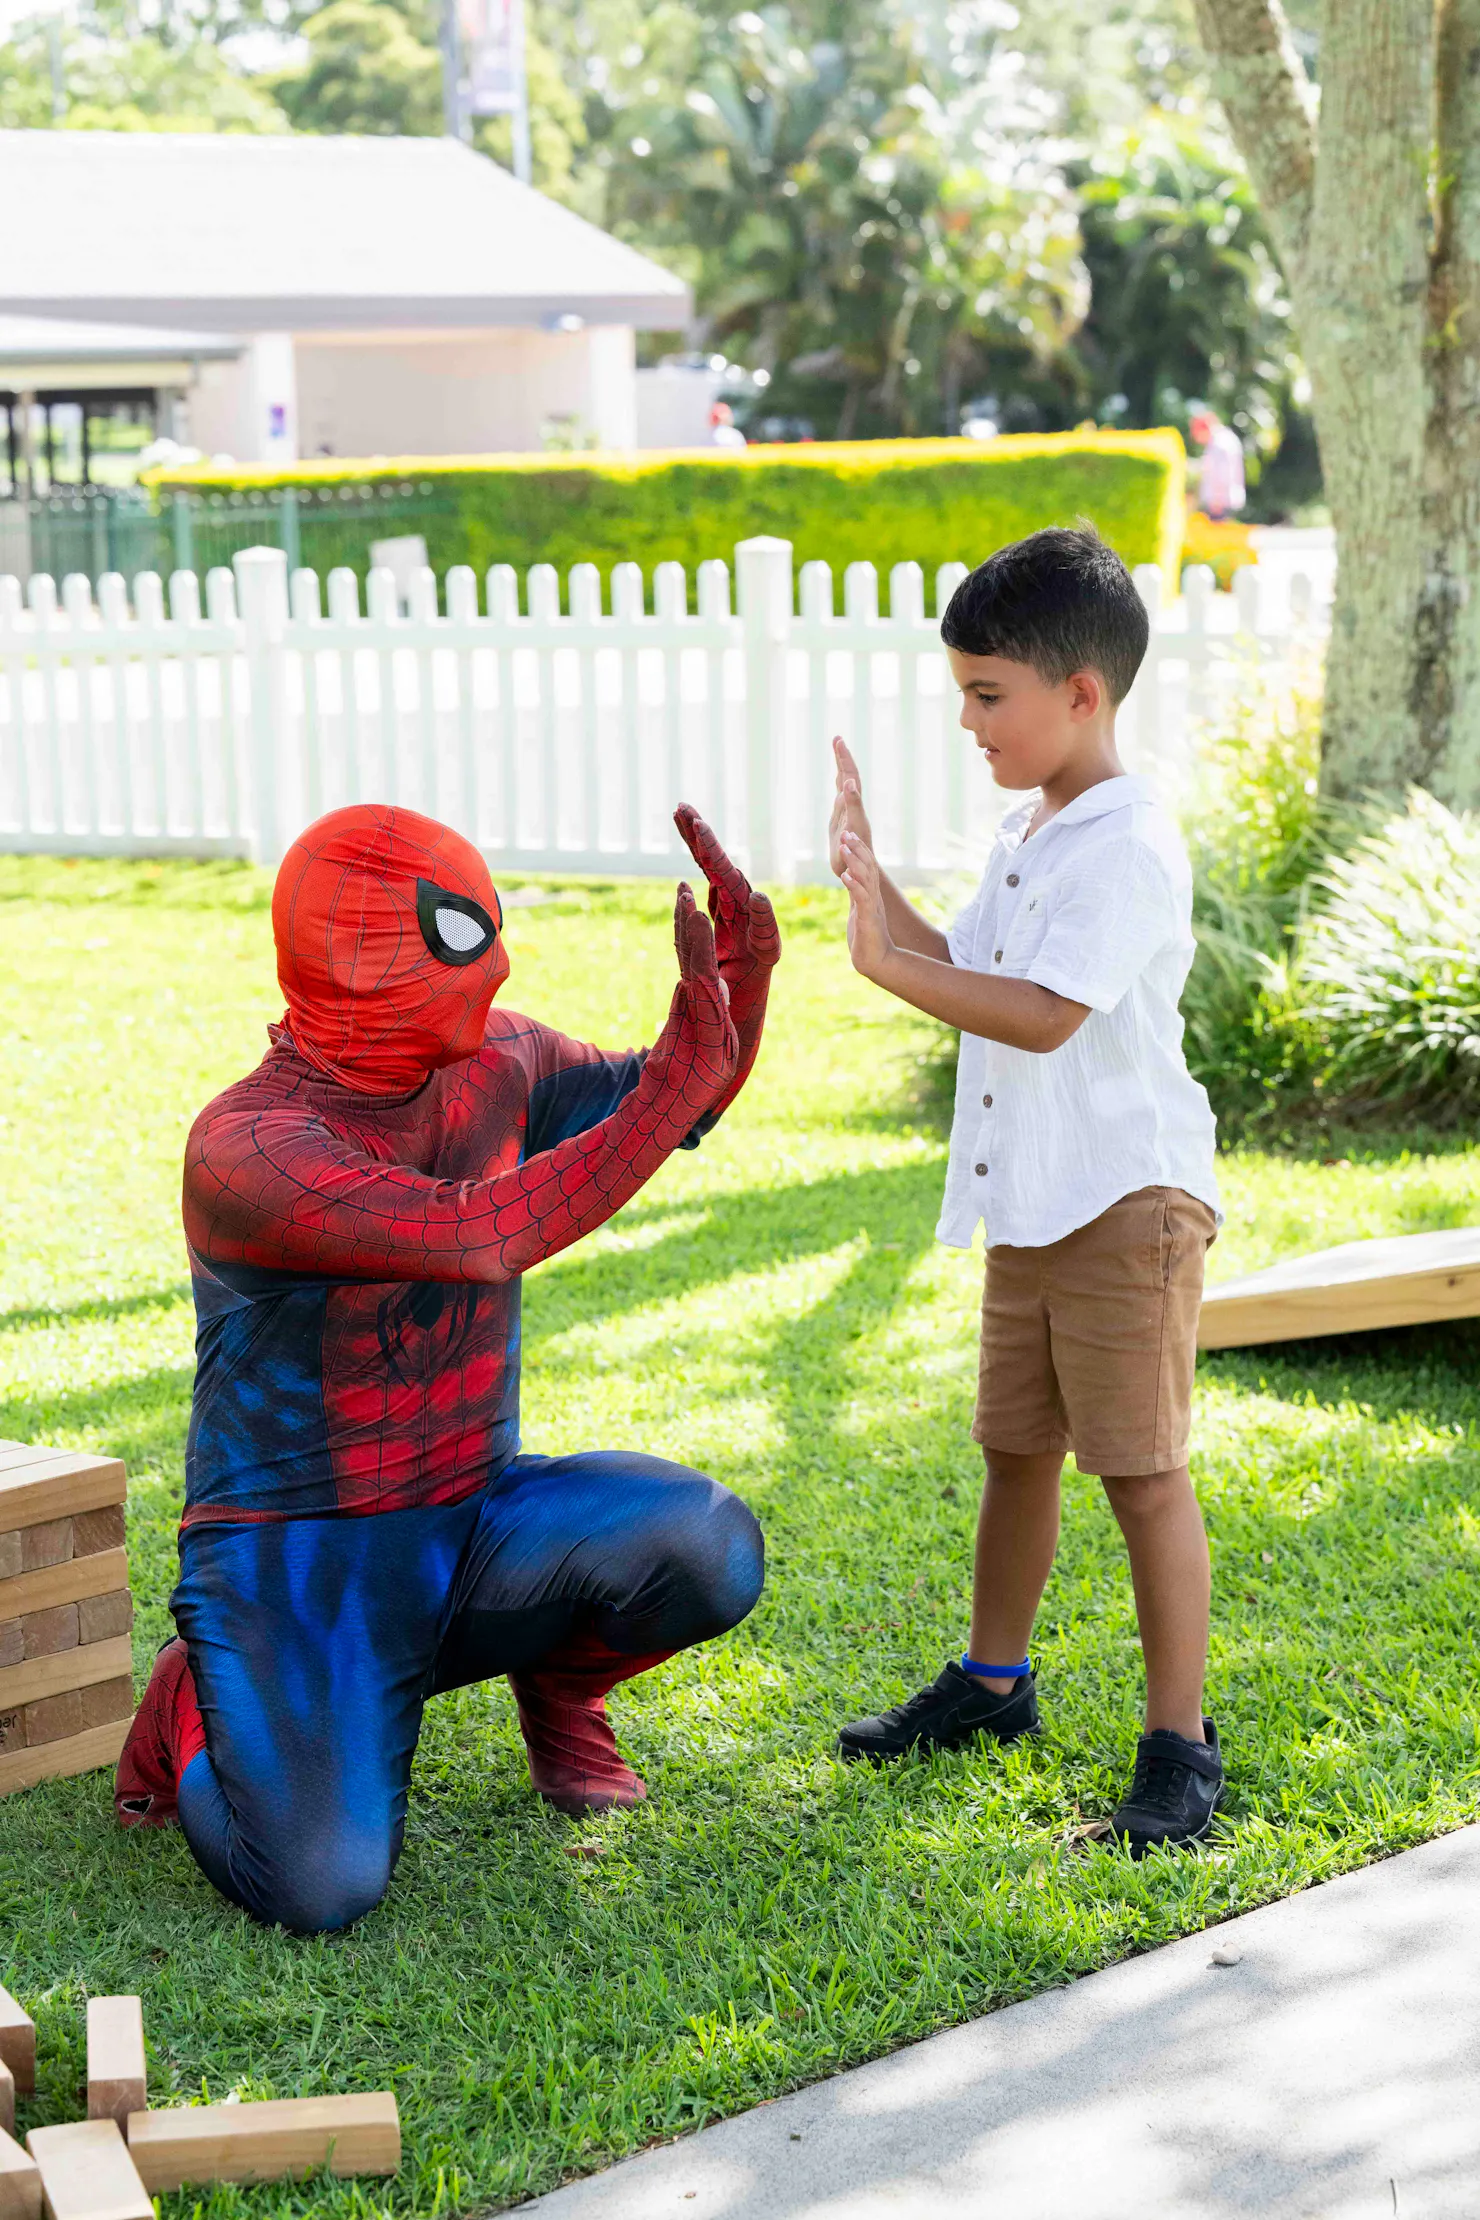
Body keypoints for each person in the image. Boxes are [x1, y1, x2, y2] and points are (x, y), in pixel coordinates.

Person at [115, 799, 778, 1933]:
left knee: (706, 1548)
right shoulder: (252, 1148)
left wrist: (738, 978)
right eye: (459, 936)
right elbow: (481, 1230)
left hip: (472, 1518)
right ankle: (193, 1701)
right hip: (298, 1560)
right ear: (357, 963)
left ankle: (560, 1688)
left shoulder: (502, 1059)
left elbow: (675, 1101)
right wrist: (675, 1084)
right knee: (318, 1888)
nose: (498, 961)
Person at [828, 526, 1224, 1854]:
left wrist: (884, 963)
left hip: (1127, 1204)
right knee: (1017, 1451)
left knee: (1142, 1472)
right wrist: (872, 883)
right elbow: (978, 972)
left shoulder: (1124, 843)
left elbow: (1044, 1014)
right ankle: (994, 1688)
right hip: (1040, 1201)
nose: (968, 721)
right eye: (961, 694)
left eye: (987, 695)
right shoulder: (1034, 827)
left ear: (1081, 696)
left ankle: (1181, 1745)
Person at [1190, 407, 1246, 522]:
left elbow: (1222, 475)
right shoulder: (1225, 438)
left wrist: (1217, 502)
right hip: (1224, 502)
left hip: (1219, 505)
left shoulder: (1219, 444)